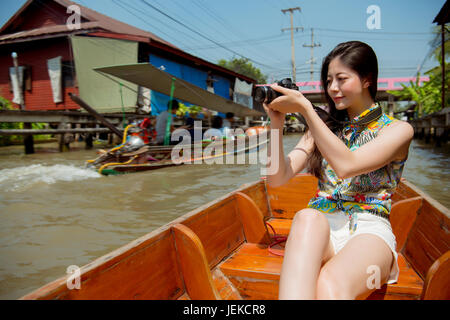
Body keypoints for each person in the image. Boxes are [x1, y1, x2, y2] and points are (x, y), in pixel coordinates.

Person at [264, 41, 414, 300]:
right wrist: (276, 124)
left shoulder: (398, 130)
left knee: (329, 287)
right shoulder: (323, 130)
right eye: (329, 80)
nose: (333, 88)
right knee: (306, 217)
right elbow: (277, 177)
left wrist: (306, 109)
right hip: (320, 228)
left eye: (342, 79)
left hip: (369, 228)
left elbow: (347, 165)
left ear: (367, 79)